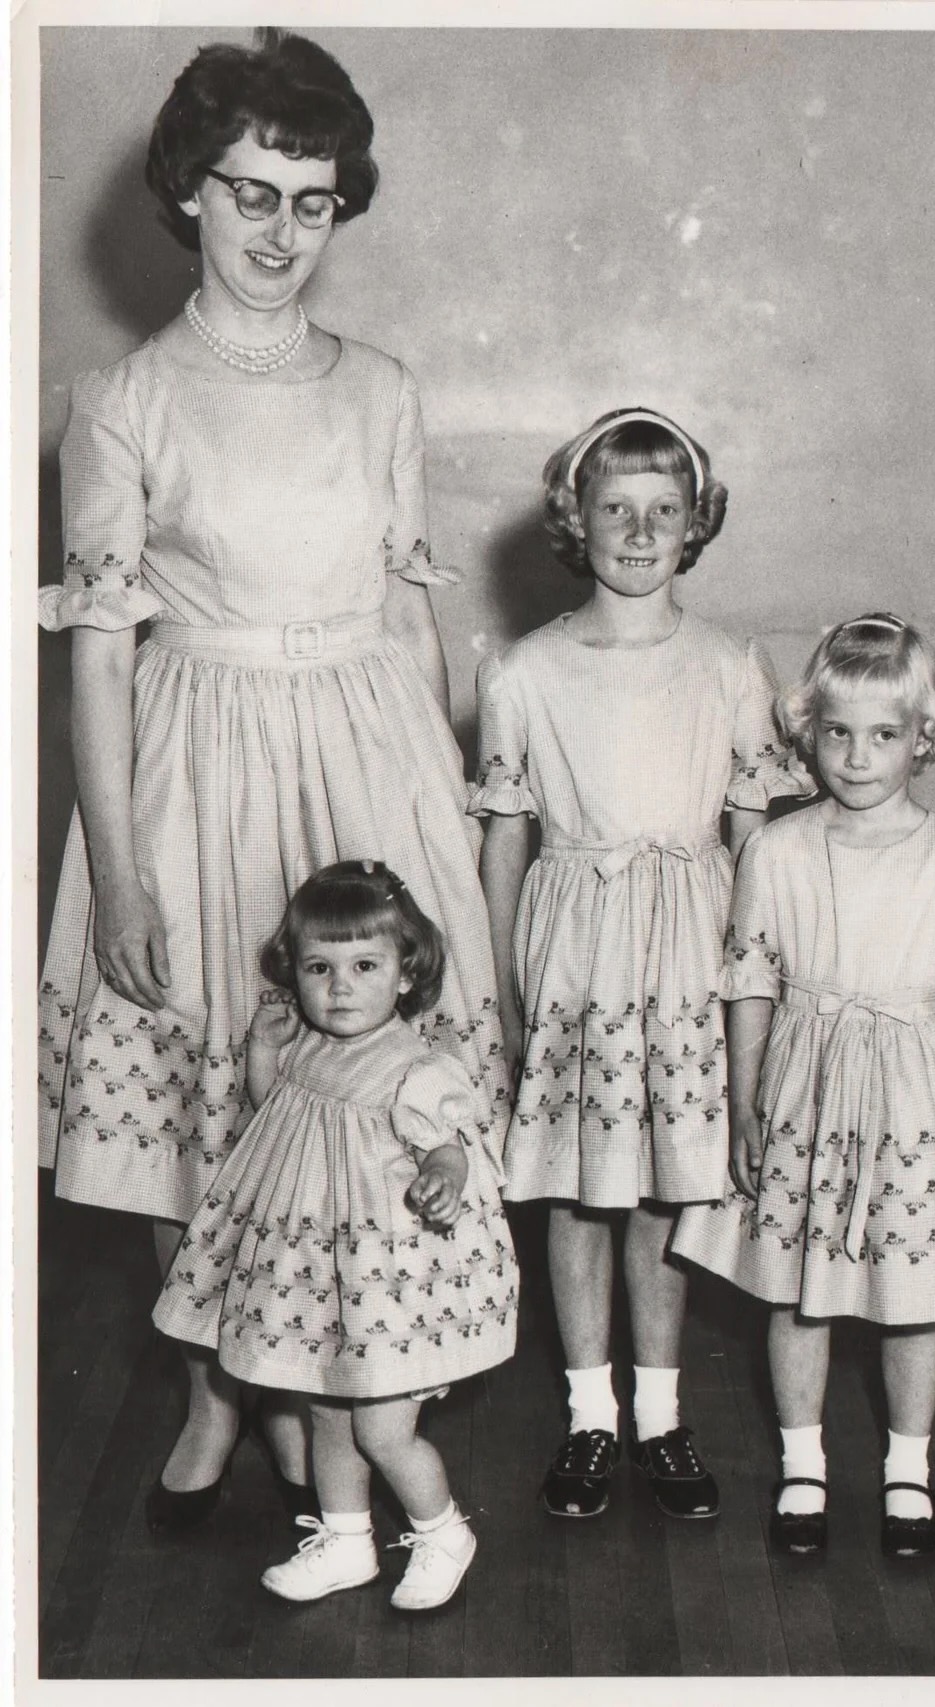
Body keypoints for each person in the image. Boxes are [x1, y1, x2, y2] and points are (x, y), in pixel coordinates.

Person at [37, 29, 509, 1534]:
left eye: (311, 201)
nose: (280, 230)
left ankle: (344, 1384)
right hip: (201, 760)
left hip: (367, 750)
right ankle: (216, 1387)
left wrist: (439, 804)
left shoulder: (381, 389)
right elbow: (100, 657)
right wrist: (122, 873)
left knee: (362, 1096)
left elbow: (411, 617)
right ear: (191, 191)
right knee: (206, 1096)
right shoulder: (123, 399)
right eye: (251, 193)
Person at [471, 408, 814, 1520]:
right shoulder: (525, 670)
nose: (638, 531)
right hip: (575, 951)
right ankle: (589, 1416)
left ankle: (660, 1416)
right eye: (615, 508)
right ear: (574, 519)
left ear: (695, 524)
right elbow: (506, 840)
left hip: (691, 952)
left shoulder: (730, 665)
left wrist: (771, 982)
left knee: (666, 1185)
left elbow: (755, 843)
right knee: (578, 1191)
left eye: (664, 510)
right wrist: (501, 988)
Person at [673, 614, 935, 1558]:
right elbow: (750, 985)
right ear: (809, 731)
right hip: (808, 1093)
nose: (858, 756)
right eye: (837, 731)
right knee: (799, 1292)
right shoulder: (776, 851)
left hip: (916, 1101)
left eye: (884, 734)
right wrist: (745, 1105)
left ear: (925, 737)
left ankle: (909, 1469)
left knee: (916, 1296)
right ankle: (803, 1464)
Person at [152, 861, 517, 1609]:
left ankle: (444, 1531)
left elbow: (453, 1145)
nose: (340, 987)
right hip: (324, 1278)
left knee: (383, 1429)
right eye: (320, 967)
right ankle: (348, 1541)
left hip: (388, 1287)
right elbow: (276, 1115)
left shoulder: (418, 1068)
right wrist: (262, 1051)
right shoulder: (310, 1048)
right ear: (295, 969)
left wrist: (442, 1175)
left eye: (364, 967)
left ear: (407, 974)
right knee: (326, 1409)